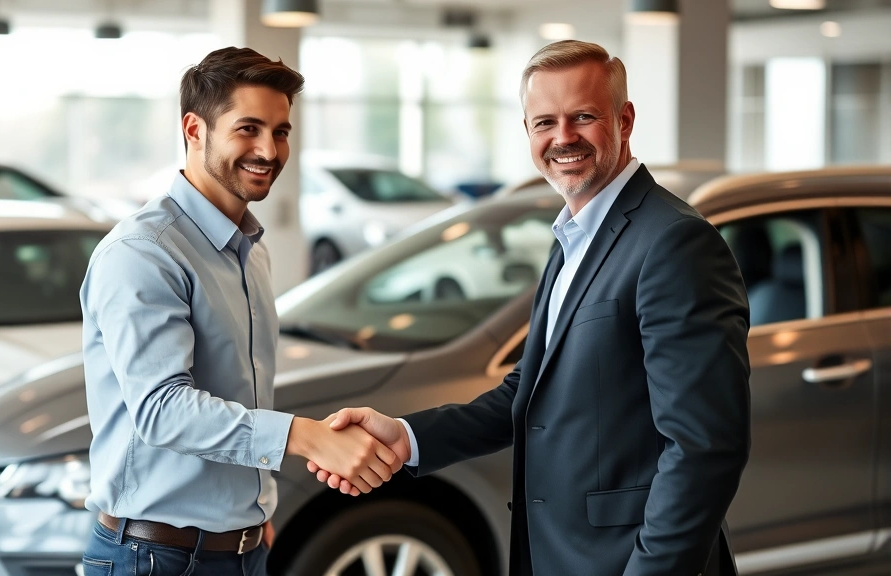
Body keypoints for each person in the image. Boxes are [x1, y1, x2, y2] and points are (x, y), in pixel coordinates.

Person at [310, 40, 751, 576]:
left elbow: (704, 448)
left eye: (583, 117)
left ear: (624, 120)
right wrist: (407, 437)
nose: (562, 137)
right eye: (545, 122)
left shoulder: (674, 243)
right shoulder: (574, 236)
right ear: (527, 131)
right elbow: (528, 391)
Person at [79, 46, 400, 576]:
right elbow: (162, 410)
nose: (268, 150)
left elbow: (235, 398)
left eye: (281, 132)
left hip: (242, 549)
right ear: (194, 130)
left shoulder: (250, 250)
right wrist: (307, 437)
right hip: (154, 559)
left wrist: (249, 512)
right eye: (248, 129)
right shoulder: (144, 252)